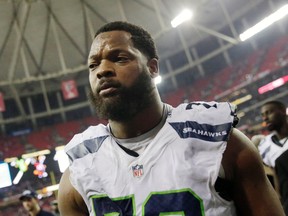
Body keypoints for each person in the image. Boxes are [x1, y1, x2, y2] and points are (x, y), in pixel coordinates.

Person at [58, 21, 285, 216]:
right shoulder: (77, 173)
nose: (102, 70)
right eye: (93, 65)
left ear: (153, 67)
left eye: (119, 58)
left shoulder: (221, 143)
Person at [257, 100, 288, 214]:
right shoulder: (264, 146)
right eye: (263, 115)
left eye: (269, 112)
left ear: (283, 111)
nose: (265, 118)